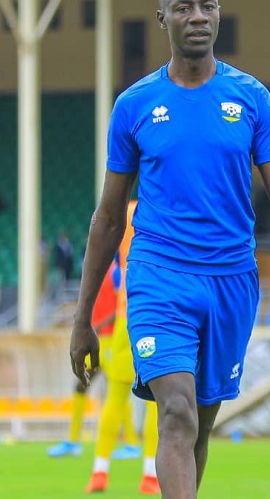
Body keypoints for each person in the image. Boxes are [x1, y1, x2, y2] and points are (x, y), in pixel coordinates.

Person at [69, 0, 270, 499]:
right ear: (163, 20)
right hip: (159, 275)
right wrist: (82, 316)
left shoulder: (251, 98)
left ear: (219, 14)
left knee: (200, 425)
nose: (198, 16)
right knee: (175, 412)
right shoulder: (134, 104)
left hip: (231, 280)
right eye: (183, 8)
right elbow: (108, 218)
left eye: (208, 6)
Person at [86, 201, 161, 495]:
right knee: (158, 400)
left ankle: (100, 470)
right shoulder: (163, 207)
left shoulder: (125, 210)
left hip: (125, 315)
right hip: (157, 314)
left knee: (114, 398)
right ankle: (151, 474)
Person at [48, 260, 140, 459]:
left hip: (111, 339)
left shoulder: (116, 272)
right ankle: (73, 440)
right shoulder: (94, 271)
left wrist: (96, 326)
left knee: (117, 389)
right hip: (99, 339)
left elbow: (121, 307)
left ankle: (131, 443)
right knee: (81, 385)